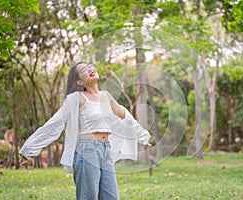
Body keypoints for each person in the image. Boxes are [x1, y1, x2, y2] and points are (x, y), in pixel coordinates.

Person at [19, 61, 152, 200]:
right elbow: (54, 123)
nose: (90, 69)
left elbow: (124, 115)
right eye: (84, 70)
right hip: (87, 151)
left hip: (106, 150)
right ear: (80, 82)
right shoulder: (77, 98)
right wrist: (29, 148)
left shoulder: (106, 96)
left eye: (90, 66)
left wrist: (142, 136)